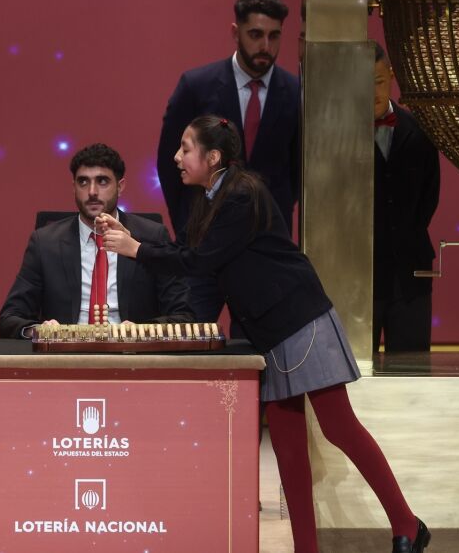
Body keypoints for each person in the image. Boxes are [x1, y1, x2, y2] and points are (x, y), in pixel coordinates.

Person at [99, 115, 430, 553]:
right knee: (288, 447)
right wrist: (136, 246)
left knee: (339, 427)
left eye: (186, 148)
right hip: (269, 333)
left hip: (300, 321)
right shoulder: (212, 198)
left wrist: (136, 249)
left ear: (212, 157)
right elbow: (190, 253)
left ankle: (407, 524)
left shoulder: (241, 195)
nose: (176, 157)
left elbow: (199, 262)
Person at [155, 0, 300, 324]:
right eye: (256, 34)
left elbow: (298, 170)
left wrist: (272, 214)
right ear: (236, 32)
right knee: (189, 334)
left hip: (262, 248)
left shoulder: (296, 93)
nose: (265, 46)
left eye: (274, 36)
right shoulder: (197, 85)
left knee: (258, 344)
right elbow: (170, 161)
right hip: (202, 241)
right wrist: (188, 226)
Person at [0, 143, 193, 338]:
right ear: (73, 188)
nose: (92, 191)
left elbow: (184, 316)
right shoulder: (45, 243)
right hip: (66, 352)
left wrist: (142, 332)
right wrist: (40, 331)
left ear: (120, 187)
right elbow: (9, 319)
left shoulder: (151, 237)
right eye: (83, 182)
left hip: (130, 351)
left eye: (102, 181)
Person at [372, 42, 440, 353]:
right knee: (355, 368)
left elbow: (430, 195)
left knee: (413, 366)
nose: (372, 92)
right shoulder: (340, 134)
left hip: (411, 271)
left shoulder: (420, 130)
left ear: (392, 76)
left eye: (378, 82)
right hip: (361, 273)